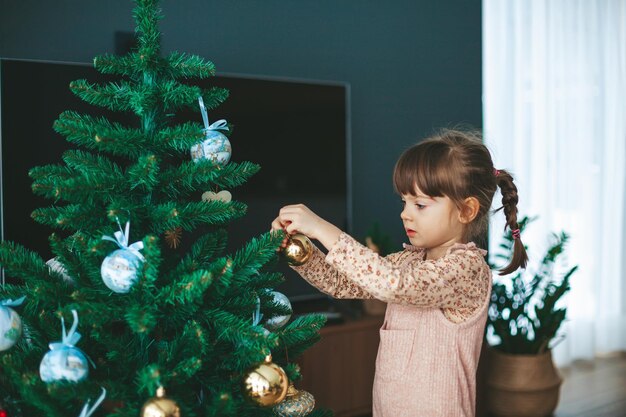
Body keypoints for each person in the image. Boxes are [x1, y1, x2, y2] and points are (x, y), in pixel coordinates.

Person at [271, 129, 528, 417]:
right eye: (404, 202)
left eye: (420, 204)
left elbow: (394, 285)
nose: (405, 213)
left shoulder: (466, 269)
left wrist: (321, 228)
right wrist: (300, 251)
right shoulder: (408, 260)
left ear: (466, 210)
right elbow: (342, 281)